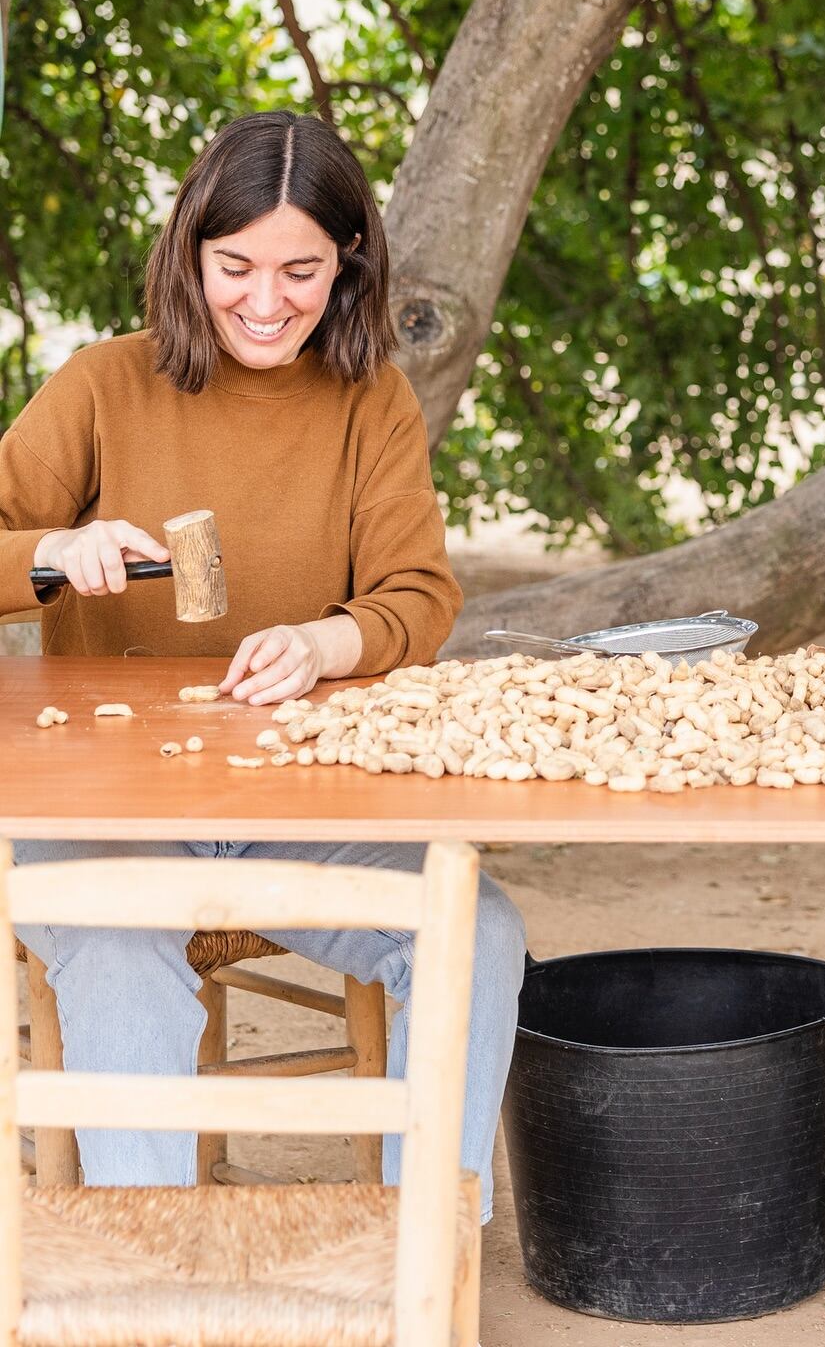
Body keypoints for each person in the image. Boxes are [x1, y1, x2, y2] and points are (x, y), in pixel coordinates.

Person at [0, 110, 526, 1201]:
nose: (266, 300)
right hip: (105, 817)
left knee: (476, 932)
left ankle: (419, 1255)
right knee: (116, 948)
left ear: (348, 267)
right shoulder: (102, 385)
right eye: (236, 265)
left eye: (302, 270)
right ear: (192, 255)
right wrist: (54, 550)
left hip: (303, 803)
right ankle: (146, 1276)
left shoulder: (369, 399)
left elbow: (418, 597)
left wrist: (328, 639)